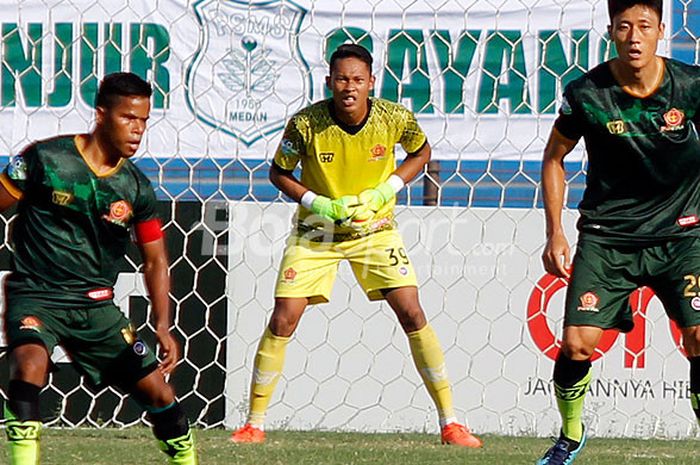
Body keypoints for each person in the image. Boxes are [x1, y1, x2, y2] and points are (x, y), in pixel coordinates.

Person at [230, 44, 482, 448]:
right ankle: (253, 424)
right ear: (329, 82)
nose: (350, 87)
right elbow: (279, 172)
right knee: (284, 318)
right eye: (342, 79)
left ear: (371, 84)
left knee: (412, 311)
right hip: (317, 232)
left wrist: (387, 190)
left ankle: (451, 423)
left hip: (375, 230)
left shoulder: (393, 117)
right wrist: (318, 203)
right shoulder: (306, 124)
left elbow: (421, 152)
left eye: (358, 80)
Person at [0, 72, 197, 465]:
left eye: (143, 120)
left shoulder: (136, 189)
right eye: (128, 118)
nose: (137, 130)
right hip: (37, 296)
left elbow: (155, 258)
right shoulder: (45, 159)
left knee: (159, 394)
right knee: (30, 364)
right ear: (102, 114)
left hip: (96, 308)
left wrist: (162, 324)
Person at [538, 0, 700, 463]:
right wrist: (555, 232)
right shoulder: (587, 92)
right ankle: (570, 436)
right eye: (624, 26)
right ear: (611, 31)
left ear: (661, 31)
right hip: (608, 238)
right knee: (576, 344)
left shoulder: (691, 86)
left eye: (643, 26)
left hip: (682, 235)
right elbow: (554, 158)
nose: (634, 36)